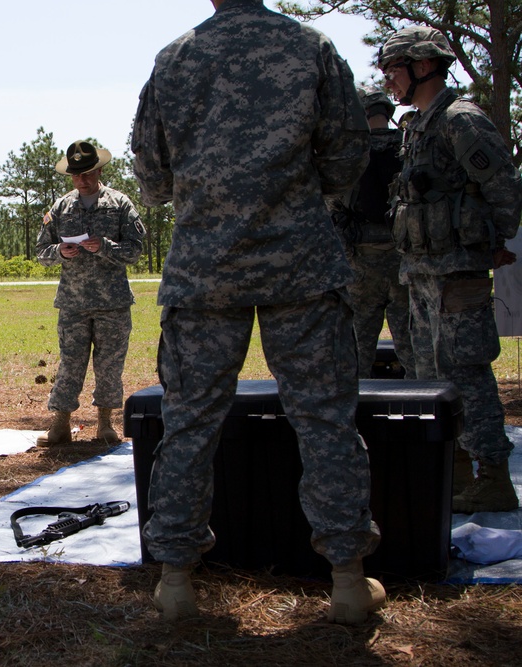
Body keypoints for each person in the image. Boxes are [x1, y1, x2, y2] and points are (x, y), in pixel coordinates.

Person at [131, 0, 384, 625]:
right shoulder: (312, 47)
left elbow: (152, 172)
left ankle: (176, 580)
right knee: (325, 420)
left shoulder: (174, 59)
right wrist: (291, 192)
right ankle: (348, 580)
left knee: (189, 423)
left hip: (204, 270)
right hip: (300, 263)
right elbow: (351, 154)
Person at [380, 26, 522, 512]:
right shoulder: (418, 123)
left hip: (457, 270)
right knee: (427, 372)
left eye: (393, 70)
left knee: (465, 371)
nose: (388, 81)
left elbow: (503, 184)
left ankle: (492, 476)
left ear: (423, 66)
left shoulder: (460, 120)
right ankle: (455, 466)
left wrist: (494, 242)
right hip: (420, 271)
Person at [34, 140, 145, 446]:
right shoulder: (60, 207)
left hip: (113, 303)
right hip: (73, 302)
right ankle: (60, 423)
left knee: (109, 364)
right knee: (70, 362)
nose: (82, 179)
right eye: (76, 174)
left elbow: (135, 251)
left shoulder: (121, 204)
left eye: (88, 172)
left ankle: (105, 423)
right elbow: (41, 251)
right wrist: (60, 251)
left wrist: (106, 246)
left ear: (99, 169)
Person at [329, 86, 415, 379]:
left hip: (361, 261)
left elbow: (333, 201)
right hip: (403, 257)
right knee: (410, 344)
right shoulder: (408, 146)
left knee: (359, 347)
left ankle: (358, 413)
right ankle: (420, 407)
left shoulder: (352, 152)